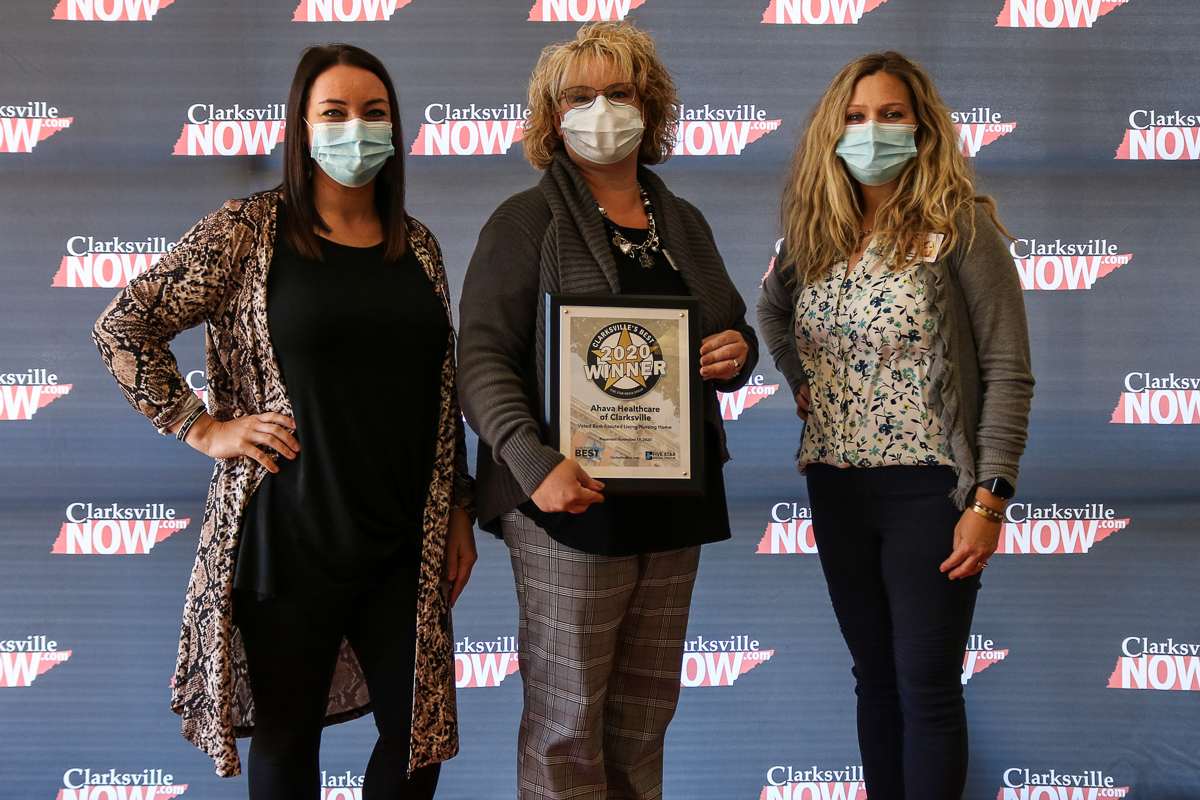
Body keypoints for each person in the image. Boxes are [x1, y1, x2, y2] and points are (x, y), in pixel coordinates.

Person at [93, 44, 476, 800]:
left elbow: (441, 390)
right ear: (301, 127)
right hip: (289, 534)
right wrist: (204, 428)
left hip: (403, 536)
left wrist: (459, 505)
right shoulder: (247, 230)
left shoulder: (419, 246)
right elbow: (123, 326)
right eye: (334, 113)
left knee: (418, 738)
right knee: (287, 735)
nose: (355, 128)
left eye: (373, 113)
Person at [457, 21, 758, 800]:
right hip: (568, 503)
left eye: (619, 93)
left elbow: (727, 328)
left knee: (642, 723)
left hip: (673, 498)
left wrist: (739, 353)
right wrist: (534, 465)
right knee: (567, 730)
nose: (601, 109)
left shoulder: (682, 221)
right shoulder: (525, 222)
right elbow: (481, 362)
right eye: (579, 96)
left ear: (647, 107)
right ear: (552, 117)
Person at [757, 52, 1034, 800]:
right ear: (832, 130)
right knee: (874, 678)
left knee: (926, 685)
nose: (871, 130)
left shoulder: (961, 228)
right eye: (854, 116)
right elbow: (773, 312)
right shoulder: (814, 234)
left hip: (932, 493)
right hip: (836, 487)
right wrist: (802, 378)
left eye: (890, 114)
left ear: (921, 127)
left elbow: (1008, 371)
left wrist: (989, 500)